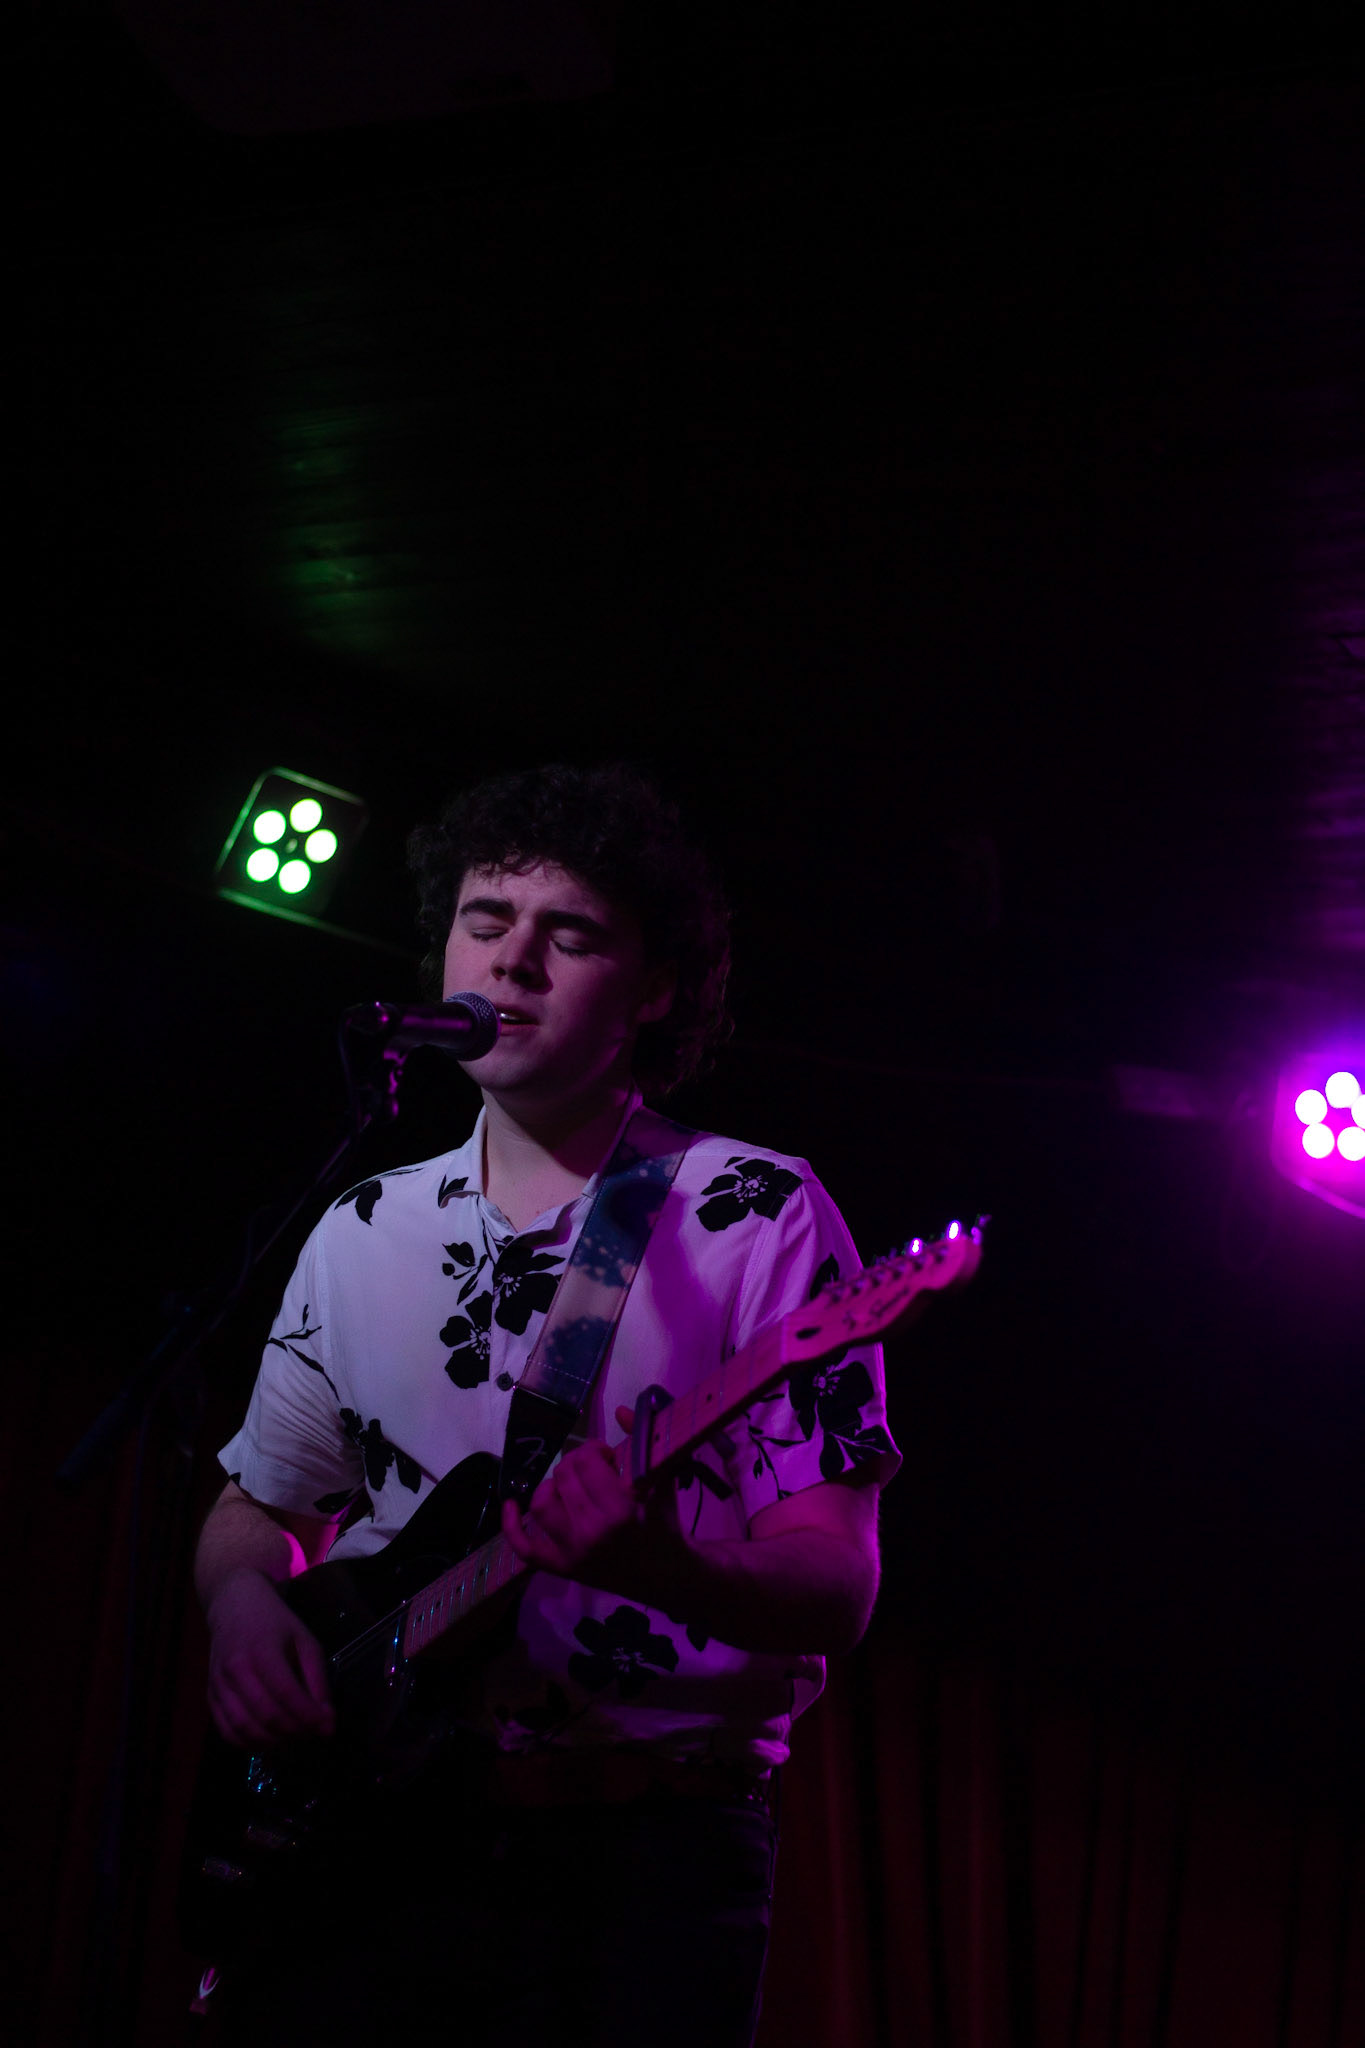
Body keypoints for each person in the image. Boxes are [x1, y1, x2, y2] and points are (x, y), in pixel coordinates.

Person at [195, 762, 900, 2047]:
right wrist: (244, 1599)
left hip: (641, 1863)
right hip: (370, 1845)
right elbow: (259, 1504)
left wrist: (650, 1559)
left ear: (654, 988)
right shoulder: (361, 1224)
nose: (513, 962)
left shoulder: (753, 1216)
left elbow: (834, 1585)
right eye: (485, 922)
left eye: (566, 934)